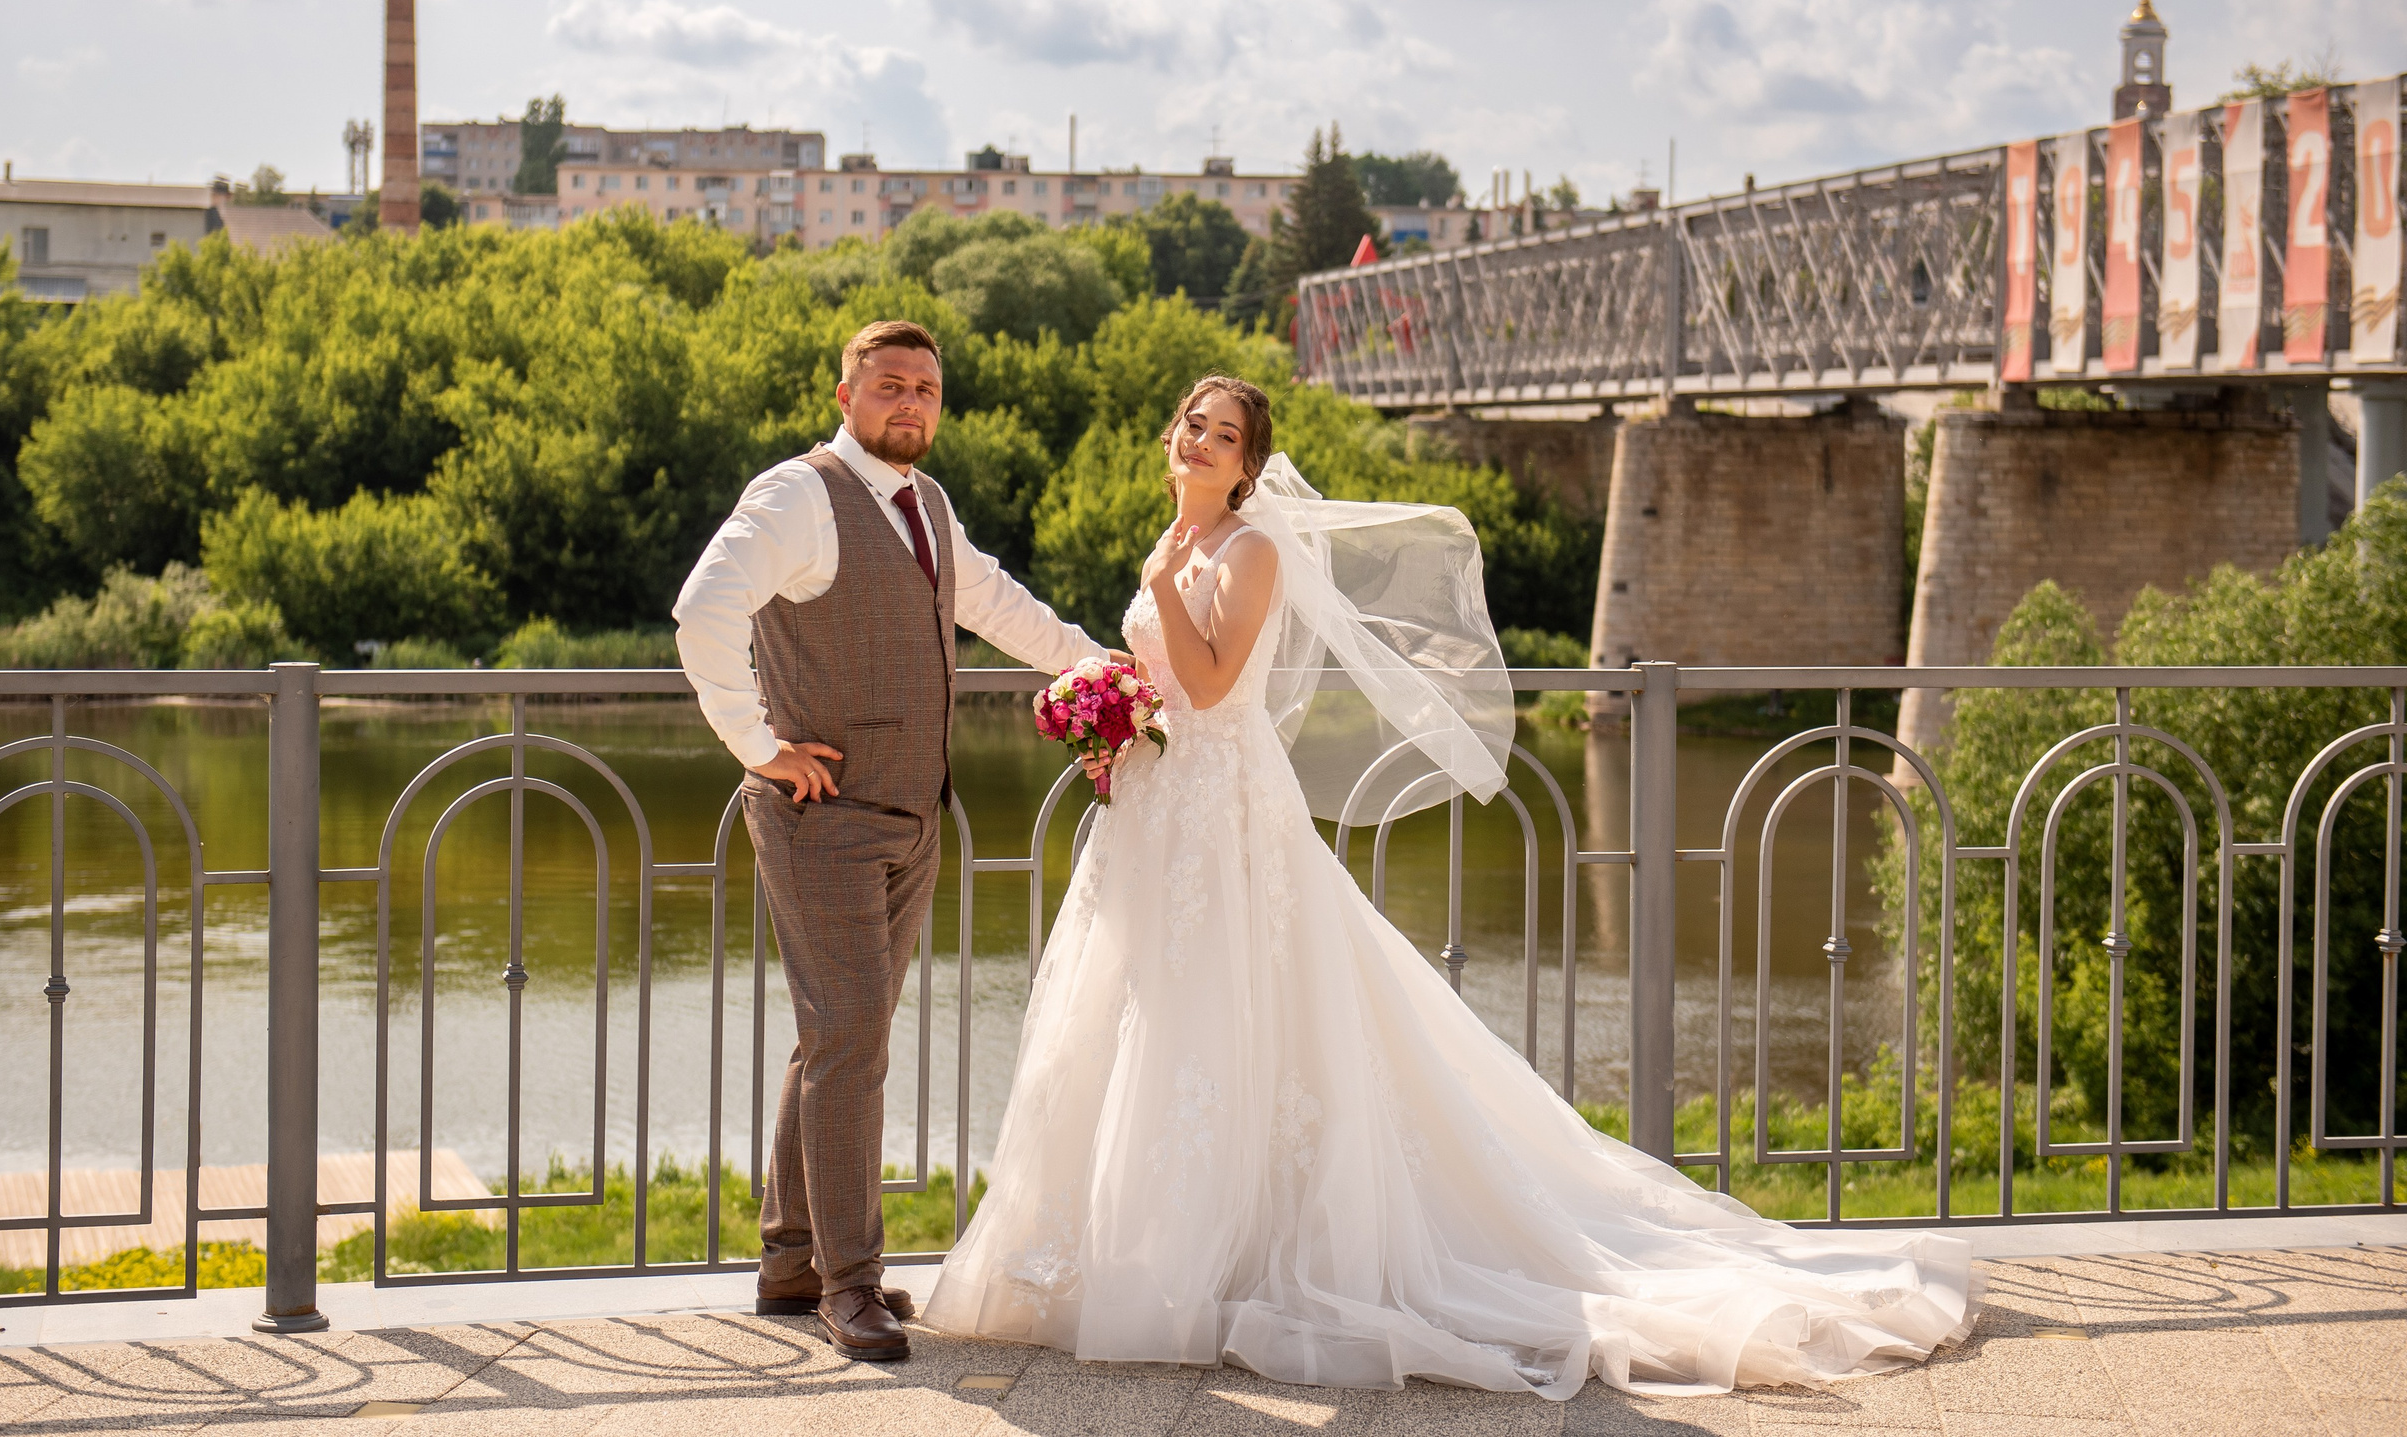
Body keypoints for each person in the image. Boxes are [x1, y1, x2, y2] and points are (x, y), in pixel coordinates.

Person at [922, 374, 1981, 1399]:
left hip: (1227, 815)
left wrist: (1155, 600)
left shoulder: (1243, 551)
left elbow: (1207, 681)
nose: (1196, 441)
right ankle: (1123, 1254)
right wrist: (1106, 702)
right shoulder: (1180, 541)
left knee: (1231, 1013)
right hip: (1157, 812)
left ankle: (1214, 1263)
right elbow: (1164, 684)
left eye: (1222, 435)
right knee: (1141, 1014)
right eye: (1190, 424)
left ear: (1246, 468)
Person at [672, 318, 1105, 1363]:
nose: (909, 402)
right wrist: (760, 744)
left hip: (912, 812)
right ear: (844, 392)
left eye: (925, 388)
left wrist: (1104, 671)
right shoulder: (796, 495)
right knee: (854, 1039)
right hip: (822, 814)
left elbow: (997, 602)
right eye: (889, 385)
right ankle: (851, 1285)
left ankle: (790, 1257)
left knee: (836, 1038)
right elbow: (701, 610)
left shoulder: (928, 504)